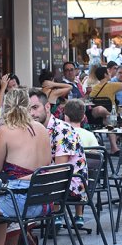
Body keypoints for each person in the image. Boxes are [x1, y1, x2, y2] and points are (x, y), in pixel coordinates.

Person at [0, 89, 51, 245]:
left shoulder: (6, 130)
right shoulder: (42, 129)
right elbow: (45, 165)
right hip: (44, 201)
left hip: (21, 203)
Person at [28, 89, 88, 227]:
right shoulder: (36, 129)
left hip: (70, 184)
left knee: (18, 190)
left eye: (35, 108)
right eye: (29, 109)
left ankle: (26, 226)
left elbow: (60, 170)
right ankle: (23, 229)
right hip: (51, 178)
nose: (31, 113)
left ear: (47, 107)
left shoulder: (62, 130)